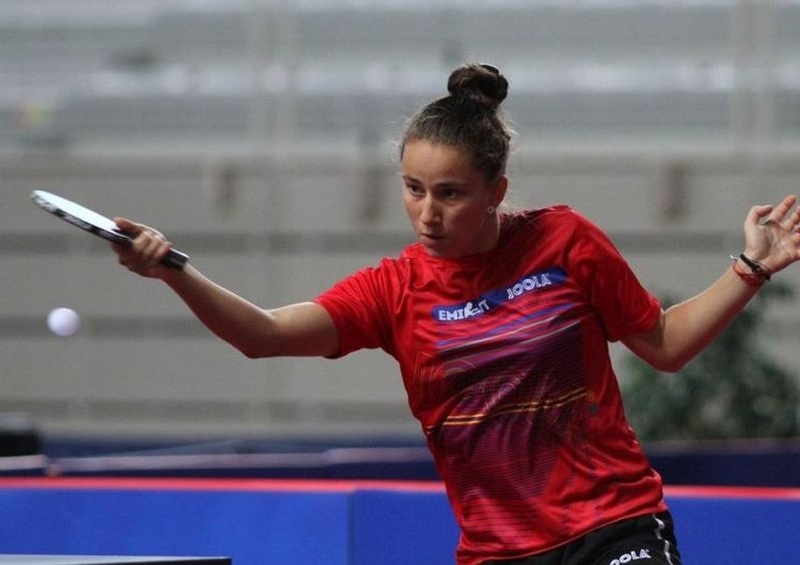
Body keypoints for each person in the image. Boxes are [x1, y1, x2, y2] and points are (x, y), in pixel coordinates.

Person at [112, 63, 800, 565]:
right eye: (413, 189)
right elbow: (262, 335)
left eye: (450, 193)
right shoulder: (393, 290)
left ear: (497, 190)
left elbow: (664, 343)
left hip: (612, 524)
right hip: (498, 549)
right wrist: (174, 269)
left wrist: (751, 267)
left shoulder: (566, 241)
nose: (427, 213)